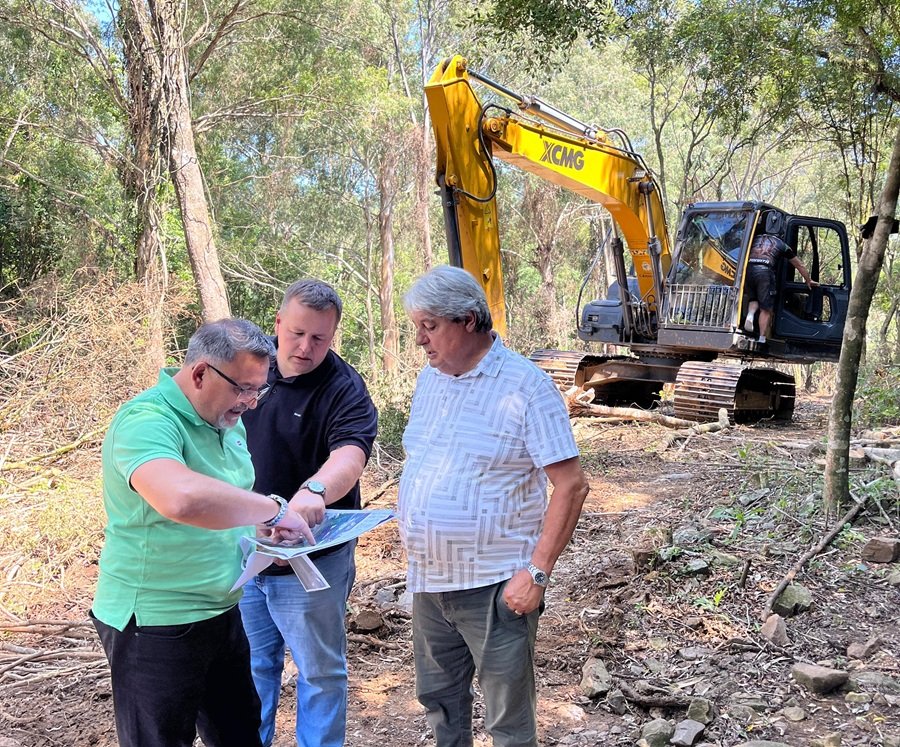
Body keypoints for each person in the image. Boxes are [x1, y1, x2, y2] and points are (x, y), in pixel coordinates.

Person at [91, 318, 316, 747]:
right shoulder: (146, 421)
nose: (251, 402)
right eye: (243, 388)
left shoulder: (224, 418)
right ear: (199, 374)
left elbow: (223, 501)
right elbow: (180, 498)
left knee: (240, 734)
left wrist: (258, 526)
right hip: (156, 622)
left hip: (221, 610)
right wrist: (275, 509)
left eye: (259, 389)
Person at [398, 265, 590, 747]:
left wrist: (537, 573)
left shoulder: (527, 387)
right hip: (429, 583)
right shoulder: (429, 381)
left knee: (507, 722)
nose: (420, 339)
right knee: (440, 705)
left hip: (496, 587)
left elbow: (571, 485)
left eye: (429, 326)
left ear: (467, 320)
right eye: (417, 326)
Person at [239, 279, 378, 747]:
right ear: (278, 322)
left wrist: (314, 492)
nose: (304, 347)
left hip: (313, 557)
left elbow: (350, 454)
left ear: (333, 336)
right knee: (251, 667)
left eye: (319, 338)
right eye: (296, 333)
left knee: (319, 672)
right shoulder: (245, 367)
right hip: (244, 549)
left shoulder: (344, 387)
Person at [743, 232, 818, 341]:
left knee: (753, 298)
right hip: (765, 273)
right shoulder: (781, 244)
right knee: (766, 309)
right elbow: (799, 264)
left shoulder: (755, 238)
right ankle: (762, 339)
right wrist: (808, 280)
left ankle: (750, 315)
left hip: (748, 270)